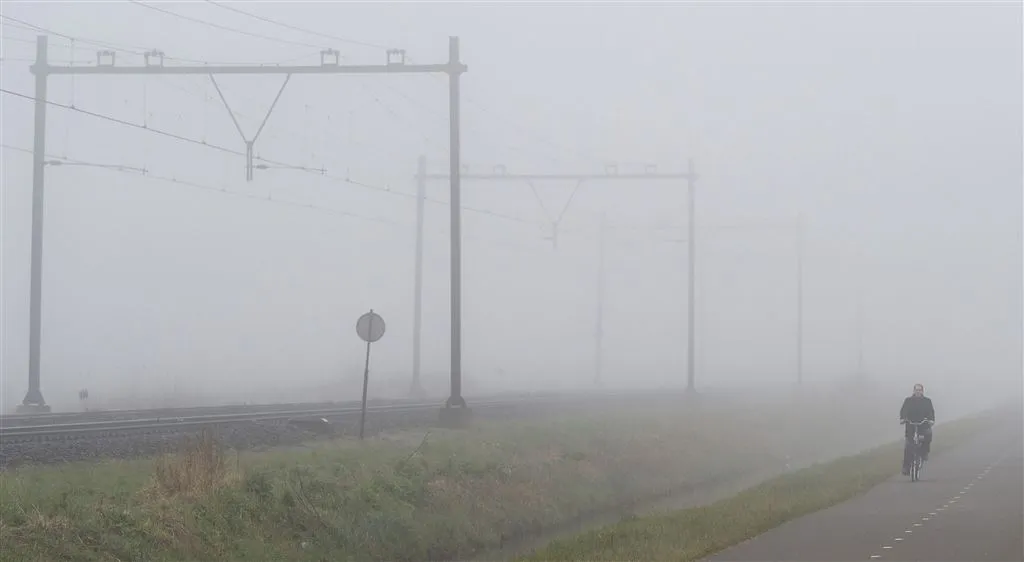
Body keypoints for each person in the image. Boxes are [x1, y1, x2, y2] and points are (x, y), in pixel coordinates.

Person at [900, 383, 935, 474]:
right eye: (916, 390)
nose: (918, 391)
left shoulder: (927, 401)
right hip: (911, 426)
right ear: (914, 391)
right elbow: (904, 410)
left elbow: (931, 412)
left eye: (919, 390)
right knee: (908, 446)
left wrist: (931, 420)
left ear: (922, 391)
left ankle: (924, 453)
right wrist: (903, 419)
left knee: (927, 436)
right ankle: (906, 468)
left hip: (923, 425)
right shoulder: (908, 401)